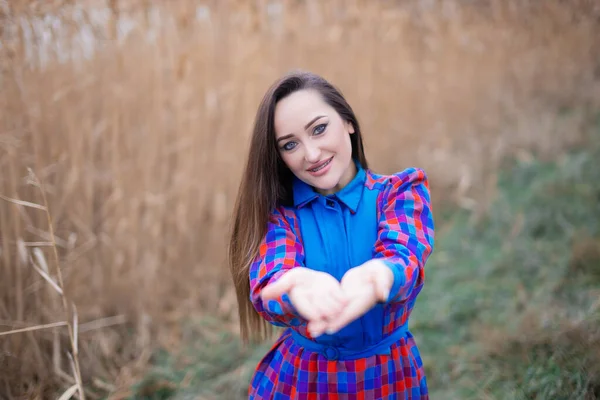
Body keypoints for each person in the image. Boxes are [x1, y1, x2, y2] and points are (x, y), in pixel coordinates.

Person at [228, 70, 435, 399]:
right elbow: (271, 277)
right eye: (290, 144)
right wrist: (294, 286)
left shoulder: (398, 193)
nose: (310, 154)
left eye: (319, 129)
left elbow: (405, 254)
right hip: (299, 382)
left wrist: (380, 274)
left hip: (388, 380)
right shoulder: (280, 216)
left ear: (348, 122)